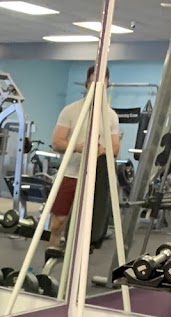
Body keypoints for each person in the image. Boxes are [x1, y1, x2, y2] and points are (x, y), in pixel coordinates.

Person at [48, 66, 121, 251]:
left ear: (107, 85)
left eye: (102, 82)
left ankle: (78, 262)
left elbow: (115, 148)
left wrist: (102, 150)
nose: (97, 85)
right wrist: (80, 147)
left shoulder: (111, 116)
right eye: (93, 81)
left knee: (88, 228)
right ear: (87, 83)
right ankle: (51, 254)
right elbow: (57, 142)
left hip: (95, 179)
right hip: (71, 174)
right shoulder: (71, 110)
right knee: (58, 222)